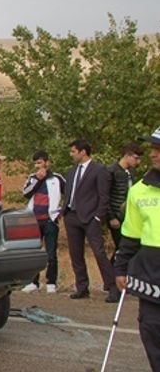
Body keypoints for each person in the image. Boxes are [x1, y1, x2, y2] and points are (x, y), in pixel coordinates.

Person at [114, 126, 160, 371]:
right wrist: (120, 268)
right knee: (152, 334)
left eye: (159, 149)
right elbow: (130, 235)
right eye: (153, 148)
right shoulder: (139, 190)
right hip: (151, 279)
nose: (153, 154)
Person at [62, 139, 118, 302]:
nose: (71, 154)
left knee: (99, 252)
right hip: (71, 215)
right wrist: (64, 210)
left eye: (73, 151)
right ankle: (82, 286)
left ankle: (112, 287)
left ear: (83, 152)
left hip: (90, 217)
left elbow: (103, 196)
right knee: (75, 253)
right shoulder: (72, 171)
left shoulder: (99, 170)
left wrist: (98, 216)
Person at [21, 150, 66, 293]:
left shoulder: (57, 178)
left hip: (50, 220)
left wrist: (61, 211)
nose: (37, 166)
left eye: (40, 162)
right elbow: (26, 194)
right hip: (34, 219)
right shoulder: (32, 177)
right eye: (35, 163)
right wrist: (38, 179)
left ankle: (51, 282)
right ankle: (33, 281)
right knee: (34, 251)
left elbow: (69, 193)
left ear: (47, 163)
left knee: (51, 253)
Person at [108, 143, 144, 262]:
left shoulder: (131, 172)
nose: (138, 162)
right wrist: (112, 217)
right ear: (127, 155)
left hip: (129, 215)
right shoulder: (111, 171)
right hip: (116, 215)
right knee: (122, 247)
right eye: (136, 158)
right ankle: (111, 274)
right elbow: (105, 197)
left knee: (128, 247)